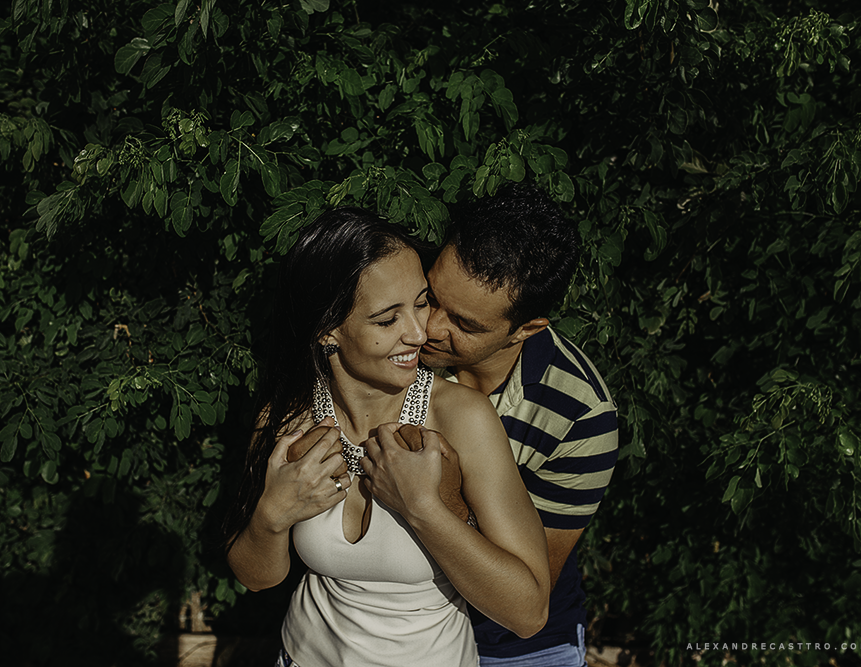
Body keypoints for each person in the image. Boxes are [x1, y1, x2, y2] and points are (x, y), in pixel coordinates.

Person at [224, 207, 551, 667]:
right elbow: (257, 579)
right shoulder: (287, 420)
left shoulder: (460, 418)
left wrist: (424, 508)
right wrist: (271, 517)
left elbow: (528, 613)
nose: (420, 333)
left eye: (421, 302)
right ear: (327, 330)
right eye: (386, 319)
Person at [417, 184, 619, 666]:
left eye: (465, 325)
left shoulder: (580, 415)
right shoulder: (396, 340)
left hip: (513, 647)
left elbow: (523, 589)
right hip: (396, 625)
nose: (430, 327)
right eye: (431, 296)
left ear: (526, 329)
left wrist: (448, 502)